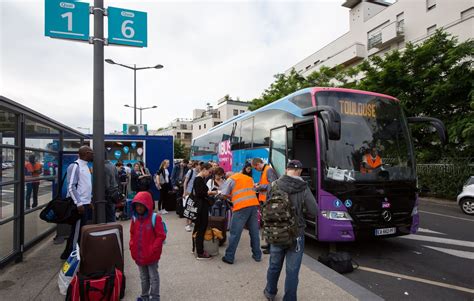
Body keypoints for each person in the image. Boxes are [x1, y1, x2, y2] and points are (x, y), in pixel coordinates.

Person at [264, 160, 318, 301]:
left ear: (286, 169)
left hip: (276, 233)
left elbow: (267, 207)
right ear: (299, 171)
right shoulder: (303, 188)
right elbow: (315, 211)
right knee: (292, 271)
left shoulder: (273, 185)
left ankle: (270, 292)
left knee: (274, 265)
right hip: (296, 234)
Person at [130, 191, 166, 301]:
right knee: (143, 277)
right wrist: (132, 246)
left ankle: (154, 297)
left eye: (142, 205)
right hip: (139, 254)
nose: (139, 208)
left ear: (147, 205)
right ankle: (144, 296)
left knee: (153, 277)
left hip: (151, 255)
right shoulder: (135, 218)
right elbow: (132, 234)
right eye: (137, 205)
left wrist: (153, 249)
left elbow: (161, 236)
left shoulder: (155, 218)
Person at [221, 170, 262, 264]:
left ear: (228, 175)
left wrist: (230, 197)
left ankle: (229, 257)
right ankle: (257, 255)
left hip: (241, 207)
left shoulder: (231, 179)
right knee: (254, 232)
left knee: (235, 233)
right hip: (253, 205)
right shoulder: (248, 178)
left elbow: (224, 194)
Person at [61, 145, 94, 260]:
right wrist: (78, 203)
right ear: (86, 153)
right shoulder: (75, 166)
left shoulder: (86, 166)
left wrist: (89, 200)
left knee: (80, 230)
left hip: (85, 203)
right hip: (79, 205)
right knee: (77, 231)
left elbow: (85, 186)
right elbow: (71, 186)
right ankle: (72, 255)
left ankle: (72, 252)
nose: (93, 154)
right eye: (91, 152)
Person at [252, 158, 278, 253]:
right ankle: (269, 244)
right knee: (267, 224)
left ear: (258, 164)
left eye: (255, 167)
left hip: (269, 200)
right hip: (265, 200)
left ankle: (271, 247)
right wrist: (259, 184)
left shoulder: (268, 170)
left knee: (270, 224)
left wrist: (260, 187)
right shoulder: (265, 170)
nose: (256, 169)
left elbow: (273, 185)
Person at [191, 163, 217, 260]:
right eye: (209, 171)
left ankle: (196, 248)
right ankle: (200, 252)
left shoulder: (199, 179)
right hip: (201, 207)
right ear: (204, 169)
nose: (209, 174)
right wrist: (210, 193)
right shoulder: (199, 179)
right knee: (201, 228)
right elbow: (200, 193)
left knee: (199, 228)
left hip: (201, 206)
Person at [183, 161, 200, 232]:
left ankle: (190, 222)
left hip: (195, 193)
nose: (200, 166)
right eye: (199, 165)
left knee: (193, 208)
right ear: (196, 165)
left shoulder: (199, 172)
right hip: (189, 192)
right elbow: (185, 182)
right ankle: (187, 225)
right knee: (189, 208)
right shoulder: (191, 172)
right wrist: (184, 192)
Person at [105, 158, 120, 222]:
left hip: (108, 194)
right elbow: (117, 179)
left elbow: (106, 185)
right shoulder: (113, 165)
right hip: (114, 192)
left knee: (109, 215)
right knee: (112, 213)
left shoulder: (104, 166)